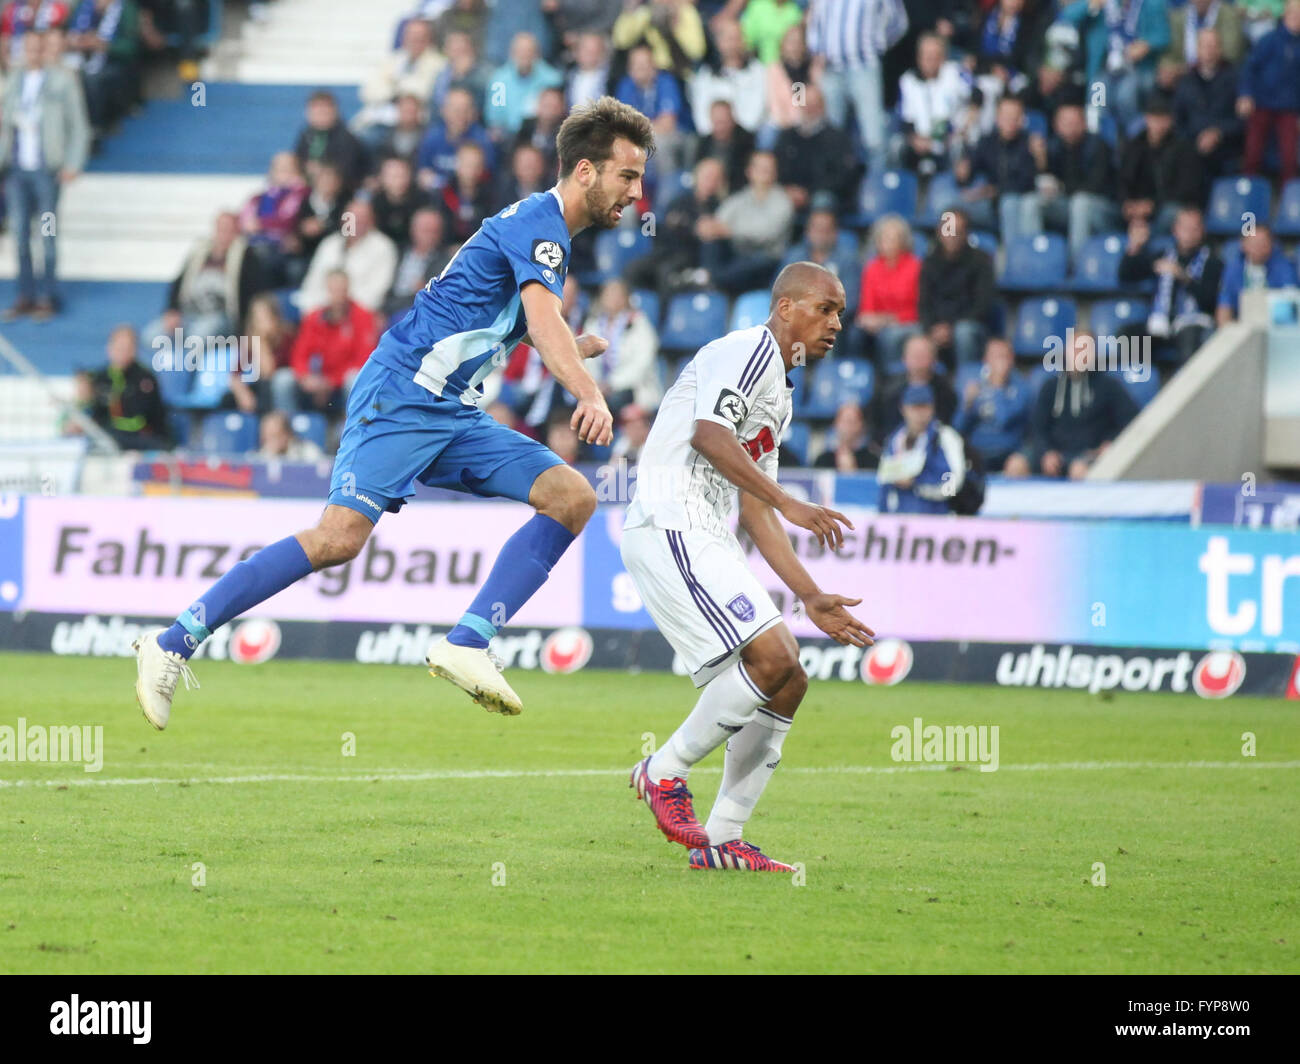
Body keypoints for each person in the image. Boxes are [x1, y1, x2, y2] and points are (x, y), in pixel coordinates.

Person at [131, 96, 655, 728]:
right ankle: (171, 642)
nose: (637, 191)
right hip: (404, 394)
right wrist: (588, 390)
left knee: (571, 497)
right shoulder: (541, 227)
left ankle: (466, 642)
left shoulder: (547, 233)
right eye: (628, 175)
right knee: (337, 539)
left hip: (454, 414)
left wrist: (570, 346)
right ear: (585, 172)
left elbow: (506, 319)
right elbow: (541, 321)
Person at [621, 261, 874, 873]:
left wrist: (810, 595)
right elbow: (710, 435)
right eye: (826, 308)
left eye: (841, 312)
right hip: (672, 521)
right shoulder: (748, 349)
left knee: (789, 680)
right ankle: (662, 771)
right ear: (786, 307)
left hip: (708, 532)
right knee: (774, 658)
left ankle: (722, 840)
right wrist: (792, 500)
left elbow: (756, 507)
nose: (836, 323)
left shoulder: (779, 394)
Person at [0, 27, 89, 321]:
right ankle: (25, 293)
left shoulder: (61, 81)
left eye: (37, 48)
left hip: (45, 171)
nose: (32, 54)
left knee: (47, 234)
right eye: (27, 49)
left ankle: (47, 295)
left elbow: (78, 124)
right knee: (20, 235)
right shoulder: (14, 79)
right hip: (16, 171)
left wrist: (72, 162)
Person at [1030, 330, 1138, 478]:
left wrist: (1110, 443)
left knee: (1079, 469)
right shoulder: (1050, 387)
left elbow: (1131, 421)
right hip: (1056, 455)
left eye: (1086, 349)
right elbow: (1038, 428)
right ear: (1066, 351)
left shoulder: (1109, 386)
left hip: (1091, 456)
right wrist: (1046, 452)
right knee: (1016, 465)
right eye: (1076, 349)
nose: (1080, 355)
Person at [1119, 206, 1221, 361]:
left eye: (1194, 229)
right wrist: (1134, 246)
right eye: (1184, 228)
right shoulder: (1164, 255)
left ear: (1202, 231)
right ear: (1175, 230)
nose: (1189, 233)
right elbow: (1126, 275)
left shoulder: (1213, 262)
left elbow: (1209, 300)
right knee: (1128, 337)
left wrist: (1182, 276)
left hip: (1193, 323)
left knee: (1190, 337)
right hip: (1161, 323)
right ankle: (1135, 382)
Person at [273, 269, 377, 415]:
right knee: (283, 380)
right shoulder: (314, 317)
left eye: (342, 290)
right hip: (315, 379)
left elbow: (364, 360)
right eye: (333, 290)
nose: (338, 296)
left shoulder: (363, 317)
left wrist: (331, 381)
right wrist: (305, 377)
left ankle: (351, 427)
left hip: (341, 380)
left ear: (348, 290)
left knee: (354, 379)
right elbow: (299, 354)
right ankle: (289, 428)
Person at [71, 324, 170, 450]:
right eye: (118, 348)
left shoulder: (145, 379)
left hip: (143, 438)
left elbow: (137, 421)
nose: (121, 353)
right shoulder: (100, 377)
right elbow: (95, 414)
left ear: (134, 351)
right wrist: (86, 401)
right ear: (109, 348)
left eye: (126, 348)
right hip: (109, 437)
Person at [918, 208, 994, 367]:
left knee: (964, 332)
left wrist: (951, 327)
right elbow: (924, 303)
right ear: (939, 232)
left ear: (966, 233)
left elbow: (982, 305)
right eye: (948, 230)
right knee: (913, 336)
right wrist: (932, 327)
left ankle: (965, 380)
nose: (952, 235)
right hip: (936, 326)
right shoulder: (929, 263)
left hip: (969, 324)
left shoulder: (981, 261)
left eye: (957, 230)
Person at [877, 382, 968, 514]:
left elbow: (954, 483)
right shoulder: (894, 439)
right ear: (903, 409)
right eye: (914, 407)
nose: (919, 414)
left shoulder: (945, 437)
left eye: (924, 407)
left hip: (936, 519)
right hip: (901, 520)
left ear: (932, 408)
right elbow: (883, 481)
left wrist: (917, 484)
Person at [1237, 0, 1300, 188]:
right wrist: (1245, 94)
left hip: (1289, 108)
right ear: (1285, 15)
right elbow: (1250, 68)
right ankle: (1246, 194)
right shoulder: (1269, 40)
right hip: (1262, 103)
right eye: (1294, 14)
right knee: (1252, 154)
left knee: (1289, 157)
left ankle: (1290, 202)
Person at [952, 337, 1031, 474]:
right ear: (986, 360)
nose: (1000, 362)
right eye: (996, 356)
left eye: (1004, 356)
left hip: (1007, 451)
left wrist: (998, 386)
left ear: (1012, 360)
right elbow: (957, 428)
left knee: (1018, 465)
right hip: (978, 451)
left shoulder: (1021, 388)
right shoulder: (973, 385)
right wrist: (967, 405)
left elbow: (1003, 419)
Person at [853, 213, 921, 366]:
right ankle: (859, 372)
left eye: (893, 238)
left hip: (907, 322)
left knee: (891, 336)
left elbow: (918, 308)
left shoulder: (915, 267)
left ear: (903, 241)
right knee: (854, 333)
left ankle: (890, 376)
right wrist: (870, 319)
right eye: (884, 238)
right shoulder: (872, 267)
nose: (888, 243)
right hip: (878, 322)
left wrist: (889, 320)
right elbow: (867, 307)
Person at [1215, 224, 1299, 324]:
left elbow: (1290, 302)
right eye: (1254, 243)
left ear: (1271, 245)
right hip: (1241, 325)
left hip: (1276, 325)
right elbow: (1224, 308)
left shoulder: (1284, 267)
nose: (1258, 248)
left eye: (1263, 243)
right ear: (1243, 245)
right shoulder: (1233, 270)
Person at [813, 400, 879, 470]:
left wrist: (852, 470)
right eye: (844, 421)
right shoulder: (823, 460)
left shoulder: (871, 460)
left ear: (861, 426)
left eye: (851, 421)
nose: (847, 427)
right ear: (836, 424)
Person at [257, 410, 324, 462]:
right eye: (266, 438)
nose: (270, 443)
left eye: (274, 436)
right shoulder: (257, 459)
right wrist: (270, 456)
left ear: (287, 434)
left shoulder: (308, 452)